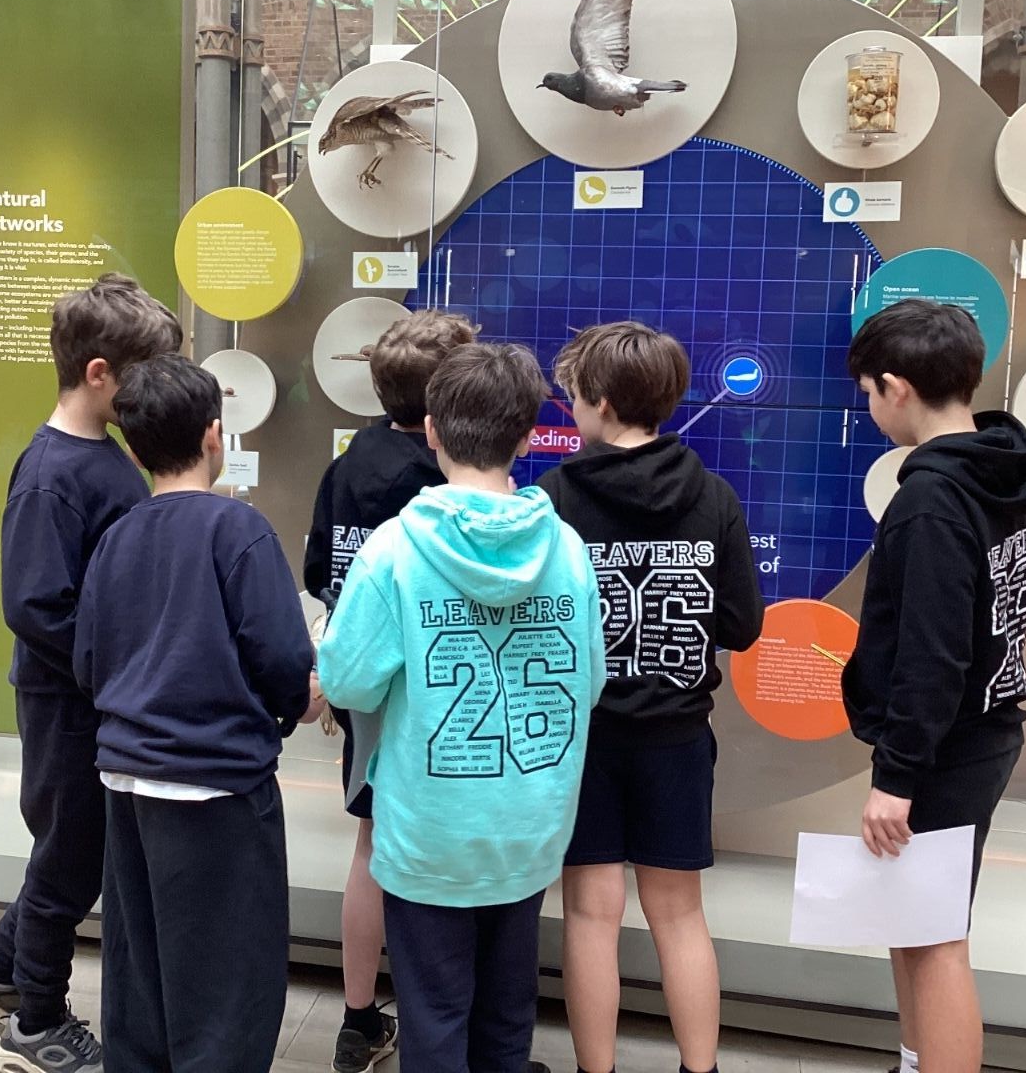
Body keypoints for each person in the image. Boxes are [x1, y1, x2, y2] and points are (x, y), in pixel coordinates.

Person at [320, 343, 607, 1073]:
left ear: (432, 431)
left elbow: (347, 684)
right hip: (529, 827)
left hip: (428, 833)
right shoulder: (568, 549)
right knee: (508, 1016)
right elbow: (590, 681)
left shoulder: (393, 551)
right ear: (526, 437)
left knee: (435, 1015)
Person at [0, 274, 181, 1073]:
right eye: (145, 373)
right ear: (100, 373)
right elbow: (33, 604)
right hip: (68, 702)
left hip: (97, 697)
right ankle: (35, 1021)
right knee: (69, 860)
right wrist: (114, 669)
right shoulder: (51, 474)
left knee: (71, 848)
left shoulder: (104, 457)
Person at [75, 354, 316, 1073]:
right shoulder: (240, 532)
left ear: (133, 448)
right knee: (225, 987)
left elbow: (87, 660)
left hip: (126, 782)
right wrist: (294, 705)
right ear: (215, 435)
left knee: (140, 975)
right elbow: (281, 654)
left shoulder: (116, 537)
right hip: (218, 786)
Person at [538, 322, 763, 1073]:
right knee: (680, 914)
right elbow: (742, 625)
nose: (571, 408)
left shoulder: (554, 498)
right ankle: (701, 1068)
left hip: (584, 739)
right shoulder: (713, 495)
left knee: (590, 915)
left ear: (601, 403)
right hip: (678, 736)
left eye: (574, 395)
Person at [841, 300, 1026, 1073]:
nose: (870, 407)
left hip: (946, 745)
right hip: (980, 727)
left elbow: (933, 653)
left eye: (868, 392)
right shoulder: (1000, 470)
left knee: (935, 938)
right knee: (914, 920)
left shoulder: (930, 499)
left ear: (896, 387)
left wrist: (896, 777)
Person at [302, 308, 477, 1073]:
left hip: (362, 687)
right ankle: (446, 1025)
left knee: (371, 844)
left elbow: (319, 573)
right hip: (435, 688)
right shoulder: (440, 480)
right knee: (434, 851)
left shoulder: (348, 464)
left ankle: (358, 1018)